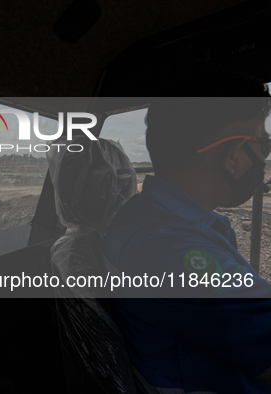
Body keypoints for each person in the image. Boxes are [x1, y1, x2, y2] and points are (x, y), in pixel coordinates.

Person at [103, 74, 271, 393]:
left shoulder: (146, 219)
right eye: (263, 145)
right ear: (232, 155)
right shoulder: (165, 246)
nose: (264, 159)